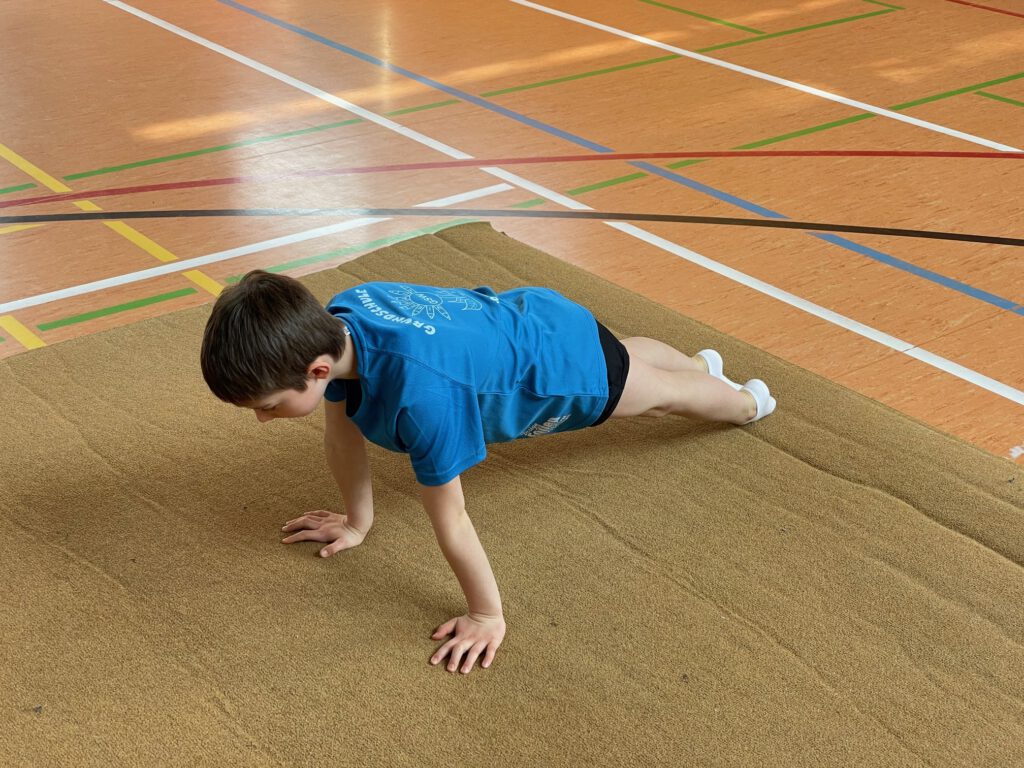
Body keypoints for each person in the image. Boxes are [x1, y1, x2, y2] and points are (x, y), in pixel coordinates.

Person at [200, 271, 776, 675]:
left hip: (558, 372)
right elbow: (342, 433)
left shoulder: (422, 397)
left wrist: (485, 614)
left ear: (318, 370)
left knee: (659, 396)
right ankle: (701, 363)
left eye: (267, 405)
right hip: (535, 319)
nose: (262, 419)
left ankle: (745, 402)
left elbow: (451, 516)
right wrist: (356, 522)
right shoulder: (344, 314)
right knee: (621, 356)